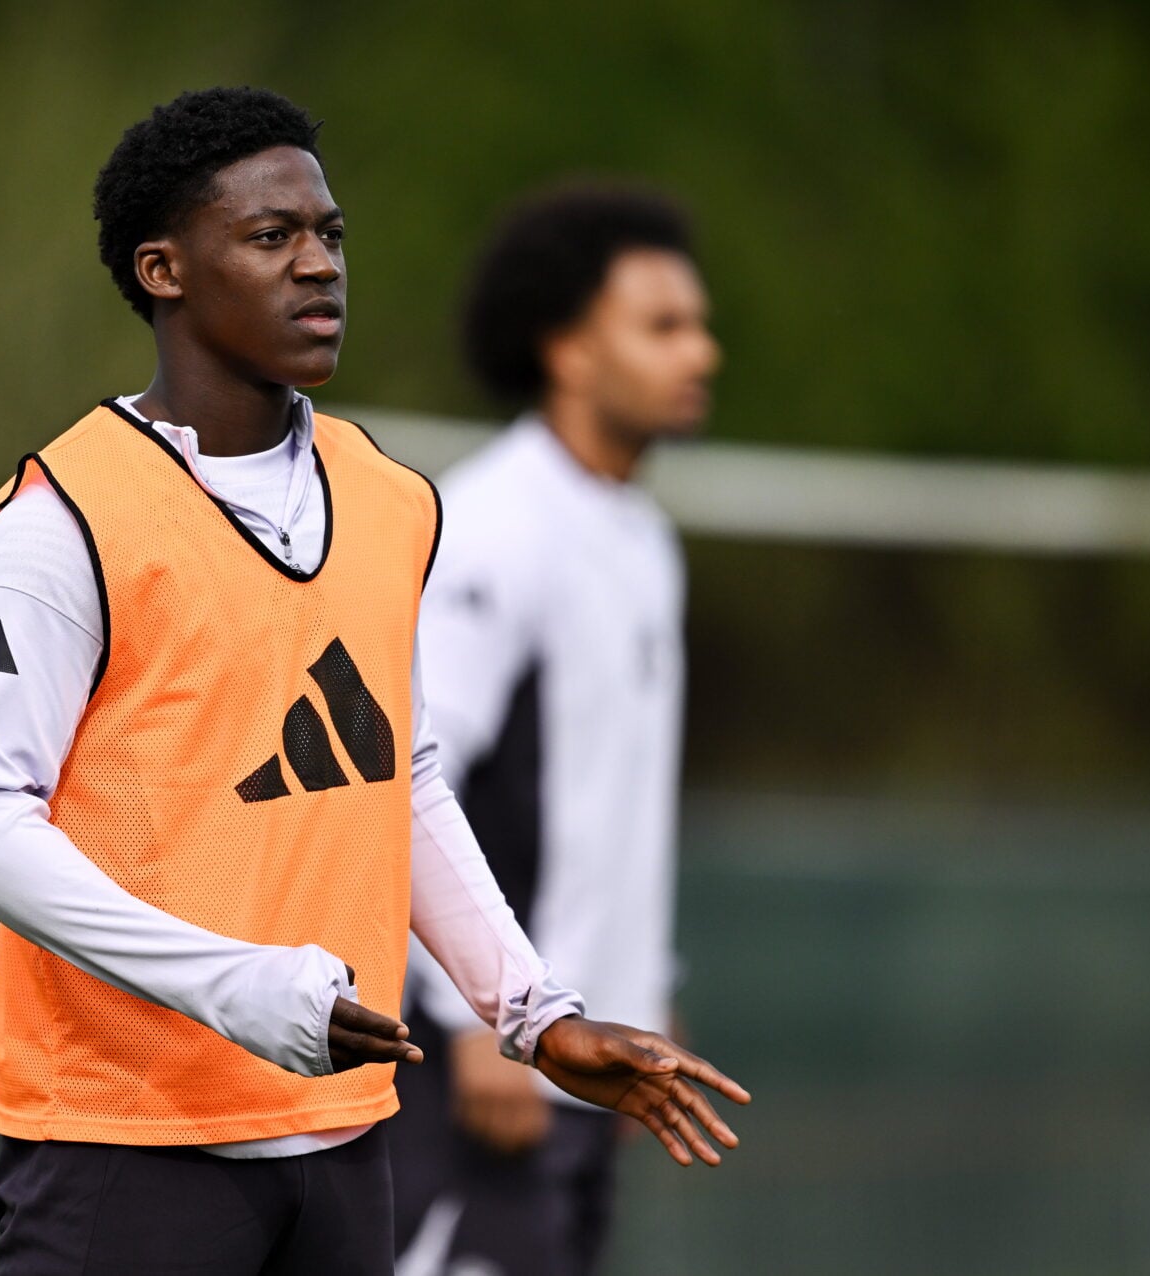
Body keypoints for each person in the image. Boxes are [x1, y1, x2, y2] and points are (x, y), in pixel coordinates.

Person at [0, 88, 747, 1275]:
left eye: (330, 235)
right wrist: (236, 986)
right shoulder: (65, 521)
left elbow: (397, 771)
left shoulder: (388, 498)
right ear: (162, 269)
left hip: (345, 1141)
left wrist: (533, 1012)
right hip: (124, 1144)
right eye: (272, 236)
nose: (318, 265)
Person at [387, 186, 723, 1276]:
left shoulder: (643, 538)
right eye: (662, 325)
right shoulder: (491, 525)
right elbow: (402, 778)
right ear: (568, 350)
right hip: (484, 1068)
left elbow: (611, 802)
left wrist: (642, 989)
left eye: (698, 324)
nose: (701, 352)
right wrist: (468, 1017)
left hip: (585, 1065)